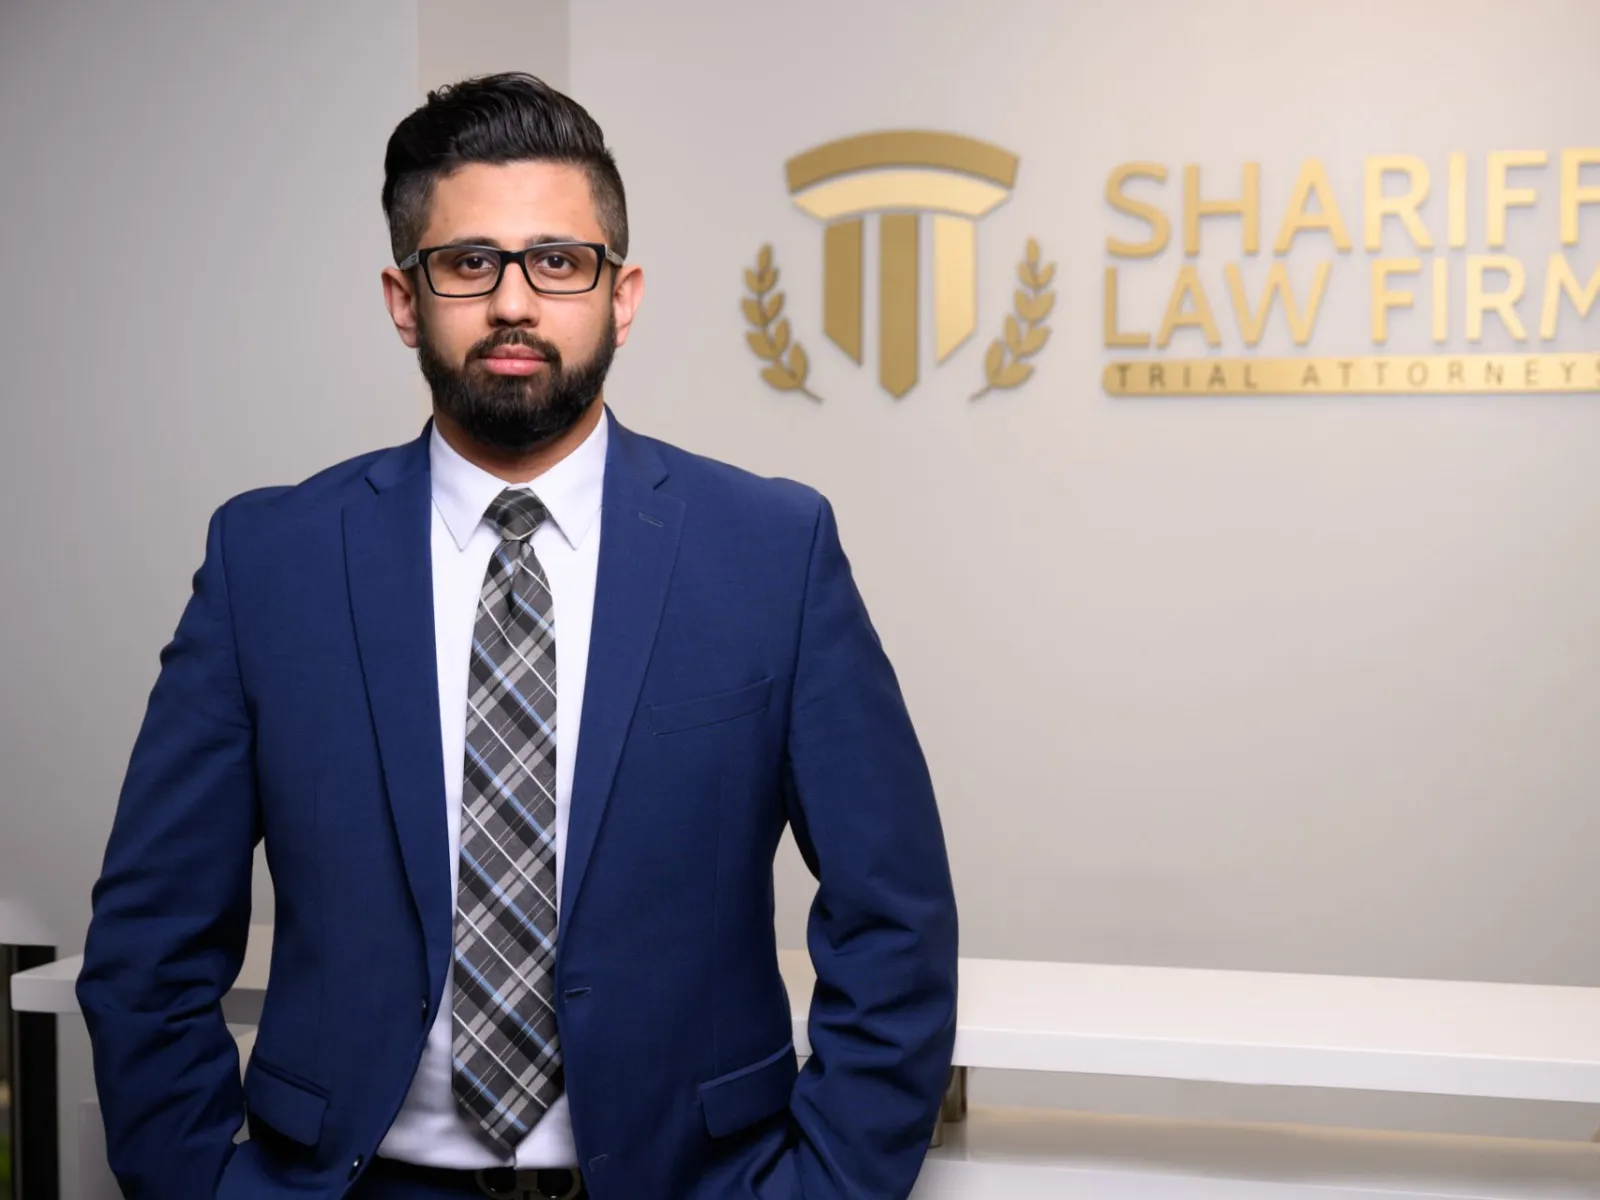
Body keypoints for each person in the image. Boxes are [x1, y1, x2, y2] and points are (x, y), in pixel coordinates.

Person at [76, 73, 959, 1200]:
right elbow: (149, 940)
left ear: (621, 295)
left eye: (558, 261)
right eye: (467, 264)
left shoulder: (771, 552)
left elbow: (896, 921)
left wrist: (822, 1190)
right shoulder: (271, 564)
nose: (513, 303)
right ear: (406, 299)